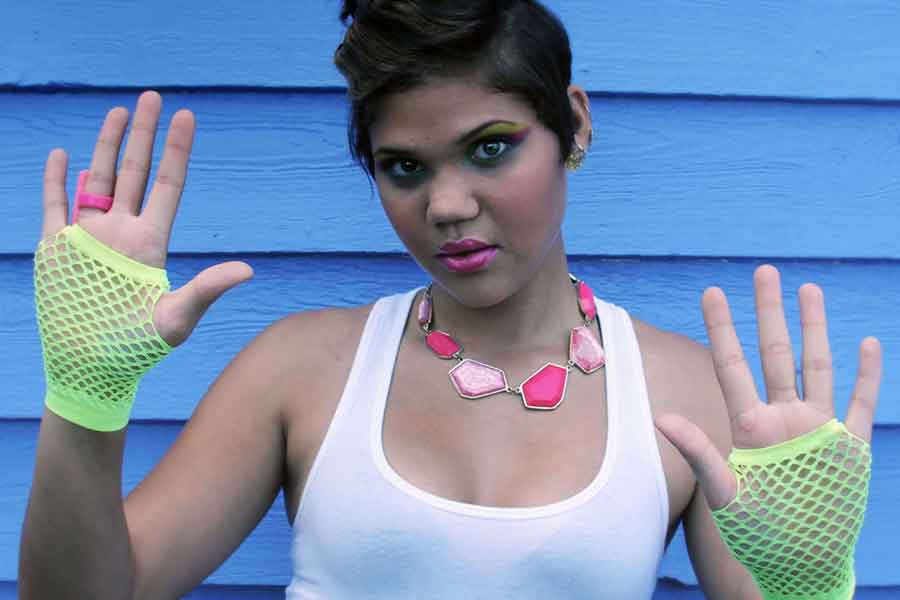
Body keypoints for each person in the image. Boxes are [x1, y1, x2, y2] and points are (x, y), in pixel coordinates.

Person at [19, 1, 882, 599]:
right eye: (404, 167)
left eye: (491, 148)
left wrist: (813, 586)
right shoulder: (299, 369)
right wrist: (86, 395)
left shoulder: (689, 399)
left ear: (574, 124)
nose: (447, 205)